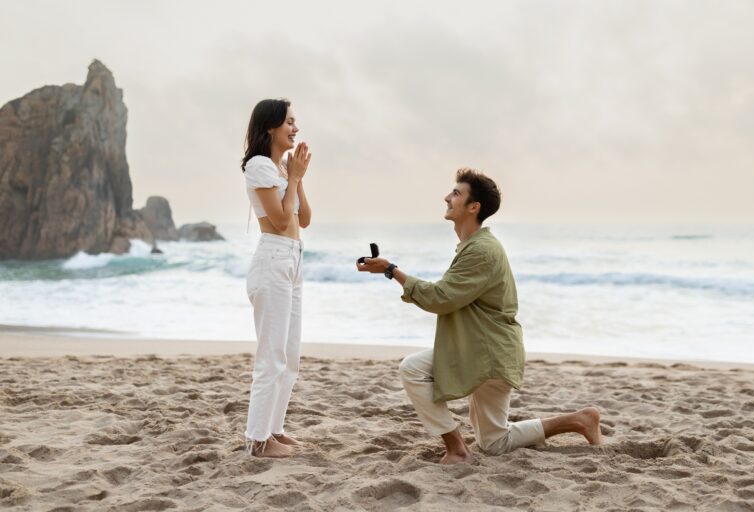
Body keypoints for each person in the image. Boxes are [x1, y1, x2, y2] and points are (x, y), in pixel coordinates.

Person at [356, 168, 602, 464]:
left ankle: (457, 449)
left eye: (456, 193)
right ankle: (579, 420)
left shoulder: (481, 251)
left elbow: (440, 298)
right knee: (495, 442)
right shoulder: (474, 246)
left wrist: (390, 270)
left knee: (412, 368)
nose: (447, 197)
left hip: (487, 352)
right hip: (491, 350)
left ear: (474, 207)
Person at [241, 99, 312, 458]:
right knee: (271, 356)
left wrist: (294, 175)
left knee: (291, 355)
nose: (295, 127)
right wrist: (293, 176)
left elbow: (306, 218)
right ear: (271, 127)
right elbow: (282, 222)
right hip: (272, 260)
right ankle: (257, 440)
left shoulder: (280, 169)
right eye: (289, 121)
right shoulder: (257, 166)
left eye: (295, 121)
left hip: (293, 261)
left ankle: (275, 430)